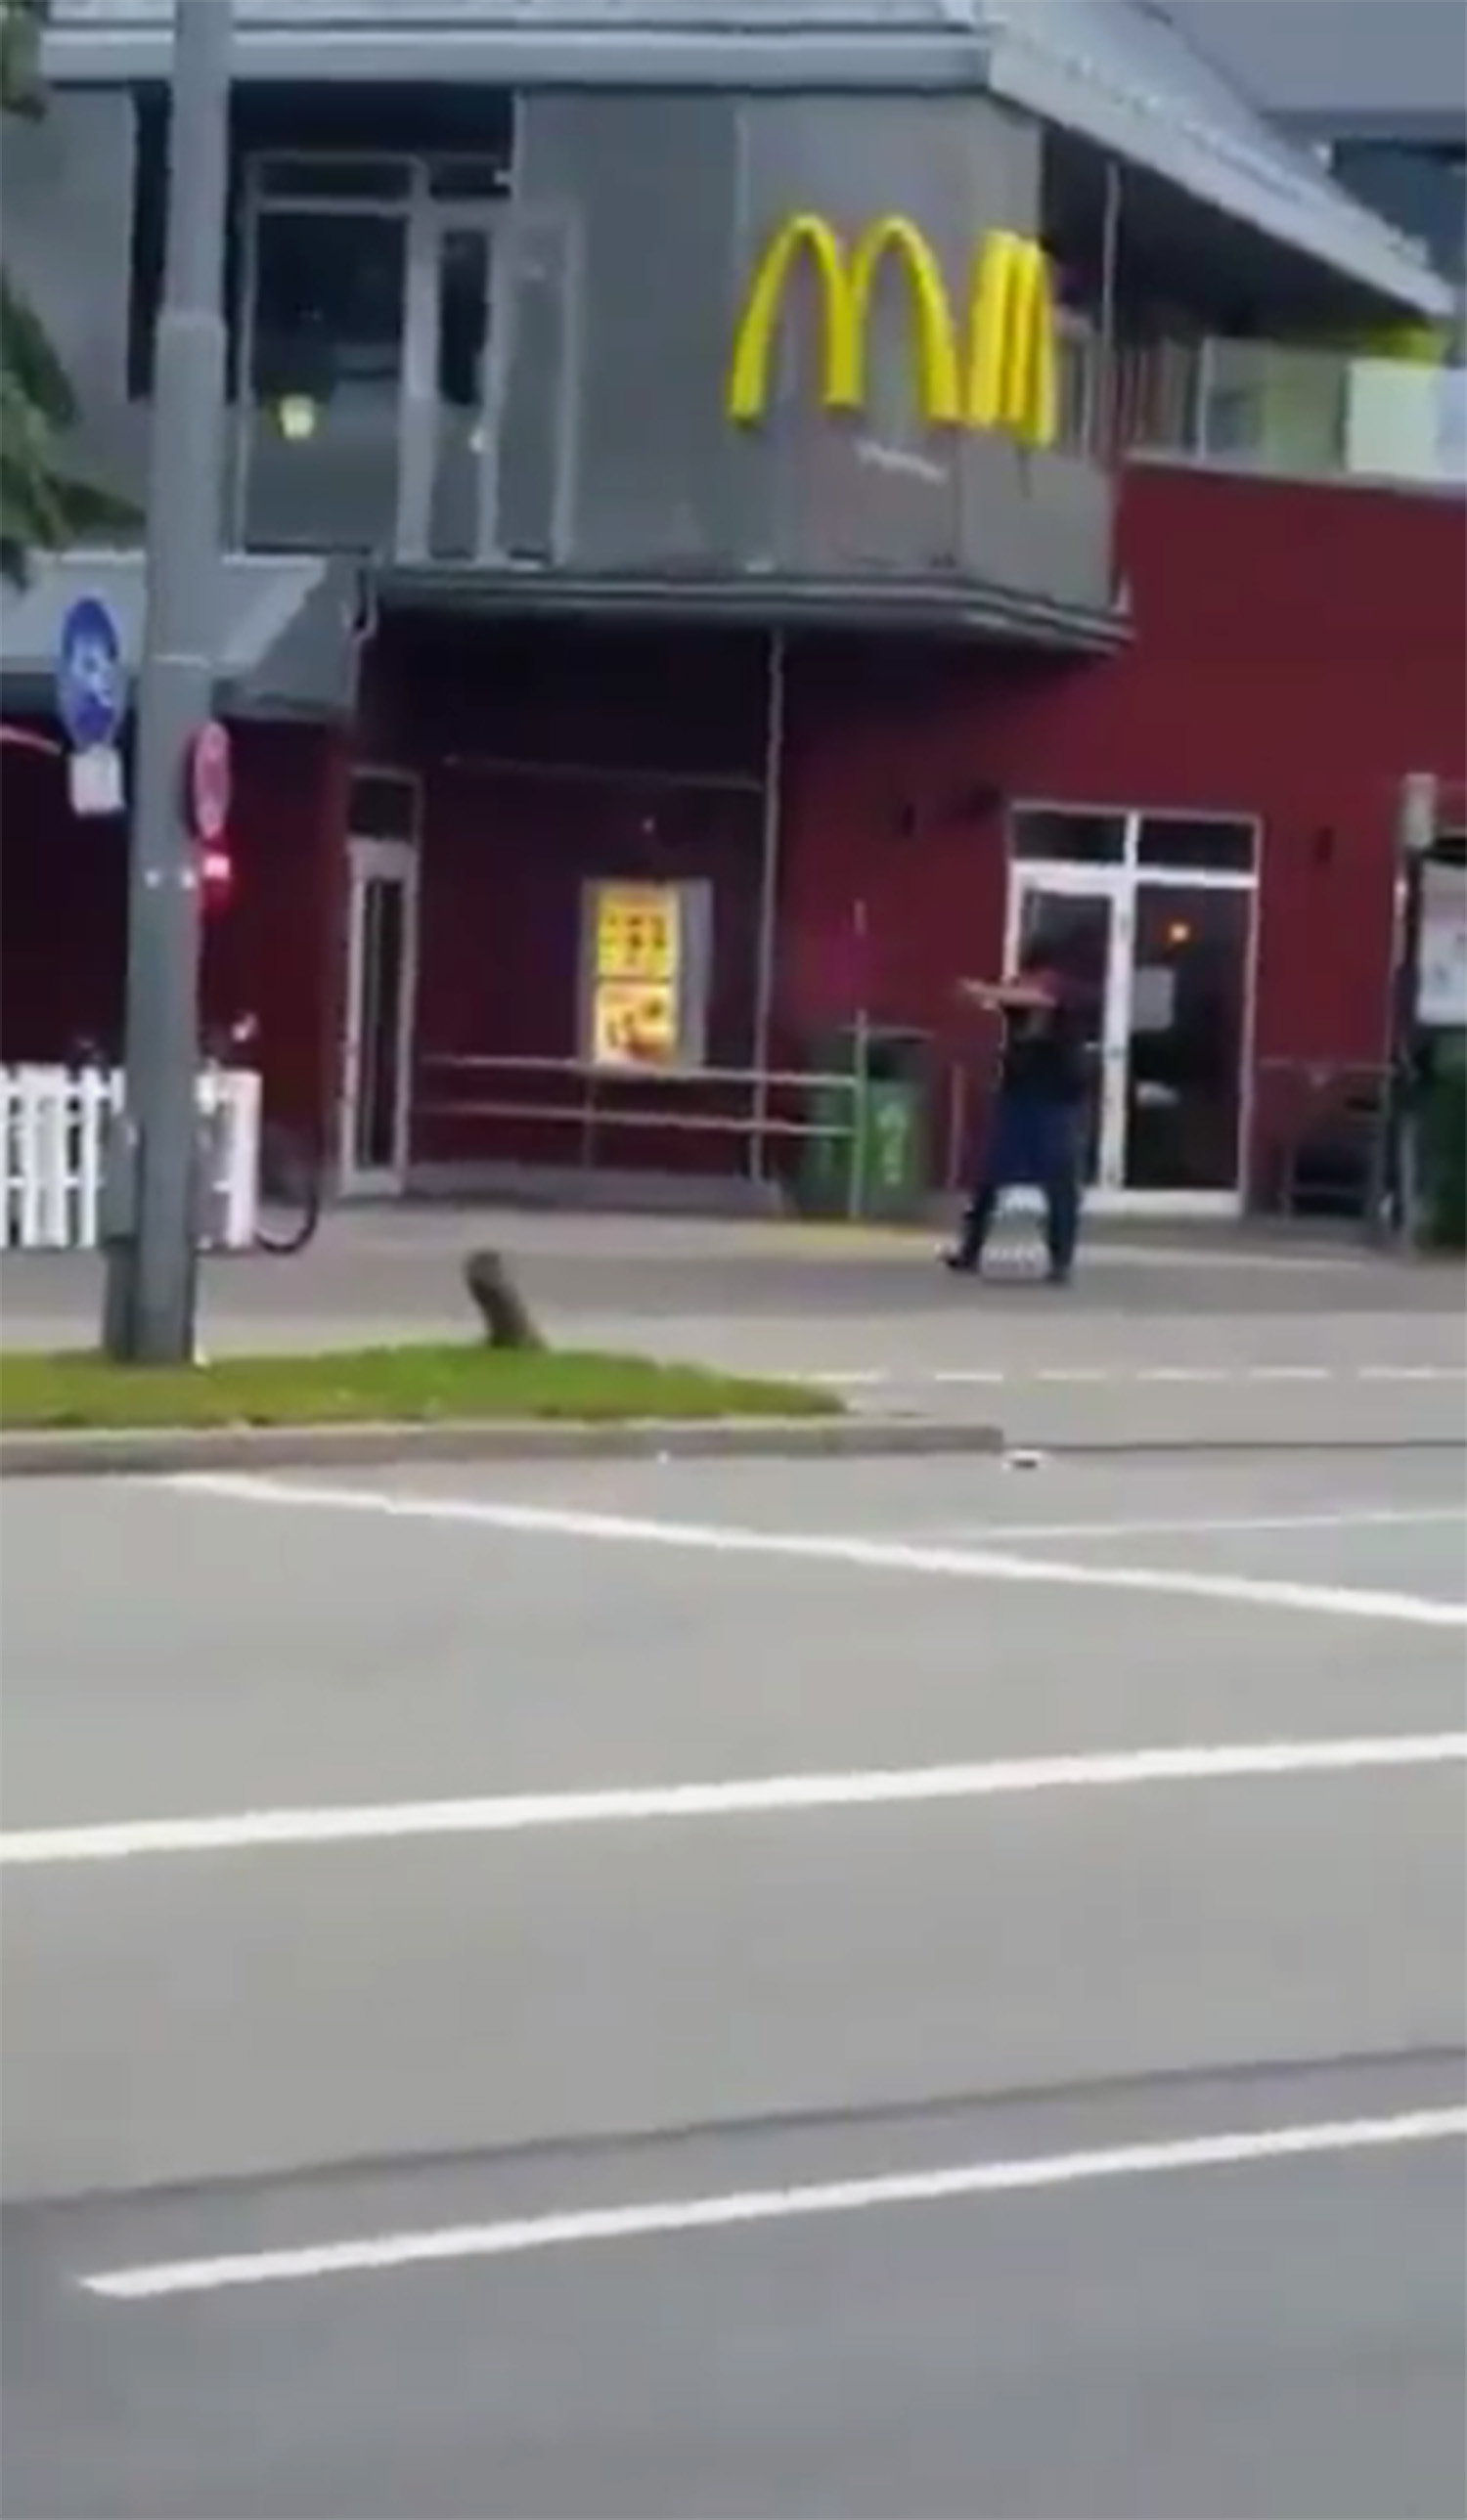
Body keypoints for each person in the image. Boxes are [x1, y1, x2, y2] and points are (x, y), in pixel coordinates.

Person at [943, 953, 1091, 1285]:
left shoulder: (1068, 993)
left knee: (1060, 1185)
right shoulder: (1016, 1001)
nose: (1026, 985)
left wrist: (986, 991)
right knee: (989, 1180)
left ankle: (1061, 1261)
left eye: (1032, 978)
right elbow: (999, 1001)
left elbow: (1043, 998)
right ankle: (970, 1250)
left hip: (1058, 1103)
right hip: (1017, 1100)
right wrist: (979, 995)